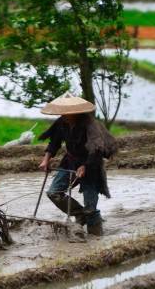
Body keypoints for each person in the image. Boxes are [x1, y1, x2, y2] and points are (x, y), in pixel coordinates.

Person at [36, 92, 117, 236]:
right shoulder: (62, 123)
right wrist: (46, 159)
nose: (66, 115)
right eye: (64, 112)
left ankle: (96, 237)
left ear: (76, 112)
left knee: (90, 208)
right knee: (54, 193)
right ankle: (80, 214)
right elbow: (54, 143)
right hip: (70, 163)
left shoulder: (90, 124)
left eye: (68, 112)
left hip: (91, 166)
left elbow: (97, 149)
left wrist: (85, 166)